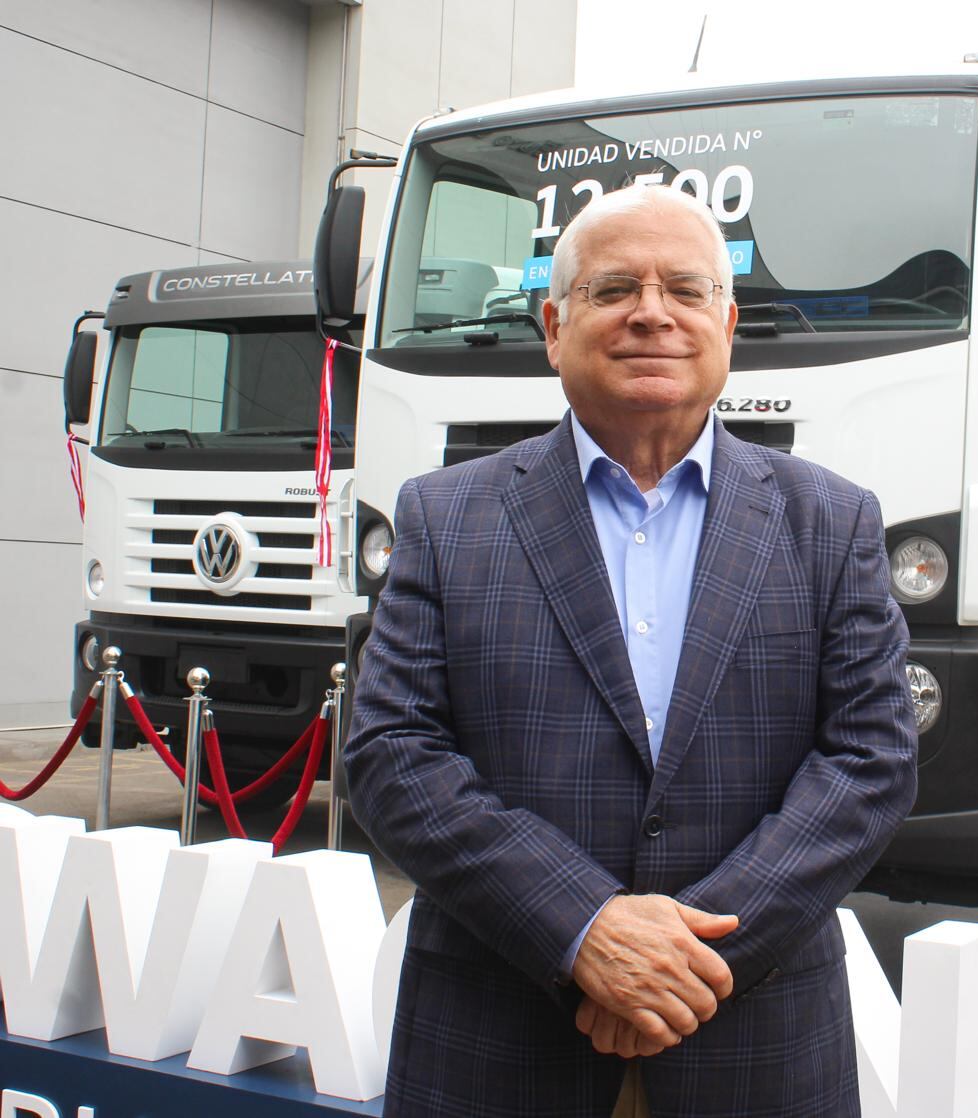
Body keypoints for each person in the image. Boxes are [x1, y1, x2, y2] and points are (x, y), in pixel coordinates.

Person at [344, 183, 918, 1117]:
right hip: (501, 1048)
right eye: (615, 289)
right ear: (553, 324)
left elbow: (871, 762)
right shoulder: (445, 517)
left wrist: (684, 964)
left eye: (685, 290)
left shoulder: (830, 521)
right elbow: (390, 758)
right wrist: (581, 930)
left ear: (728, 324)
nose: (652, 312)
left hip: (756, 1050)